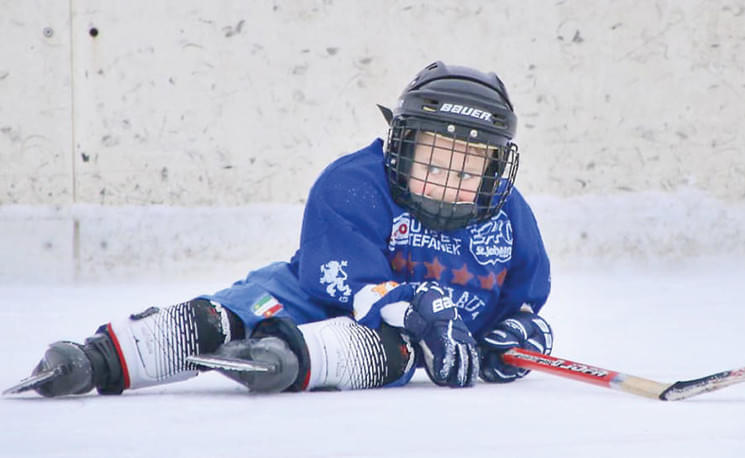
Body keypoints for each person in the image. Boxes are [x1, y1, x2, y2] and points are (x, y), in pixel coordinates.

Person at [8, 61, 553, 398]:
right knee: (225, 318)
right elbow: (344, 280)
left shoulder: (512, 220)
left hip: (392, 340)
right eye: (431, 161)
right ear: (401, 145)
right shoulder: (354, 183)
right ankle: (102, 357)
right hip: (310, 297)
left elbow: (522, 310)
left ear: (495, 170)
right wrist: (414, 304)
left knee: (390, 349)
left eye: (466, 168)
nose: (444, 181)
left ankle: (287, 361)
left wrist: (518, 338)